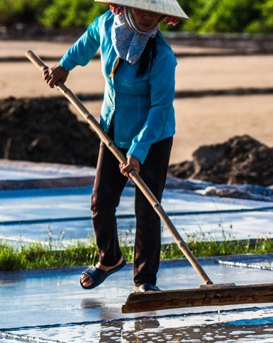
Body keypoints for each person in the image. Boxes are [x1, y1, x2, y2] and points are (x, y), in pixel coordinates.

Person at [43, 0, 188, 293]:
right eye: (141, 8)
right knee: (101, 200)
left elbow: (160, 109)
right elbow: (86, 42)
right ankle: (109, 259)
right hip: (111, 131)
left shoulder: (161, 55)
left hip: (152, 138)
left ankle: (145, 280)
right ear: (125, 7)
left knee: (148, 209)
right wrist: (64, 66)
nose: (147, 16)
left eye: (154, 11)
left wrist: (137, 151)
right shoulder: (107, 25)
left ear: (163, 15)